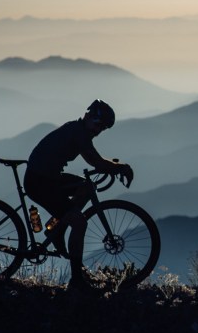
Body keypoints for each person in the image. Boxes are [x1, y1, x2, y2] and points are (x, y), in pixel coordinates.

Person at [24, 100, 134, 291]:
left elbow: (96, 160)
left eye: (103, 129)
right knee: (79, 222)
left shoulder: (78, 129)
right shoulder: (79, 133)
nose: (99, 131)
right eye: (98, 125)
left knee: (86, 187)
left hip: (47, 178)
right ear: (89, 117)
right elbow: (95, 161)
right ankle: (76, 280)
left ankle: (56, 227)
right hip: (40, 183)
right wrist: (120, 167)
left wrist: (113, 167)